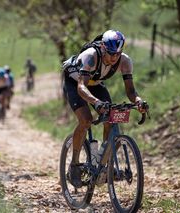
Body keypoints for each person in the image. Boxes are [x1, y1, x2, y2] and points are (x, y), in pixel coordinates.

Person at [63, 30, 148, 188]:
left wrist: (138, 101)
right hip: (76, 83)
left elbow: (130, 91)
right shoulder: (90, 56)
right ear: (103, 48)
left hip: (95, 84)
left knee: (112, 119)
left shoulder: (125, 61)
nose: (114, 57)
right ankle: (74, 164)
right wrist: (95, 102)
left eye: (118, 53)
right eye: (110, 53)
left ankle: (103, 165)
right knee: (86, 120)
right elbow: (81, 87)